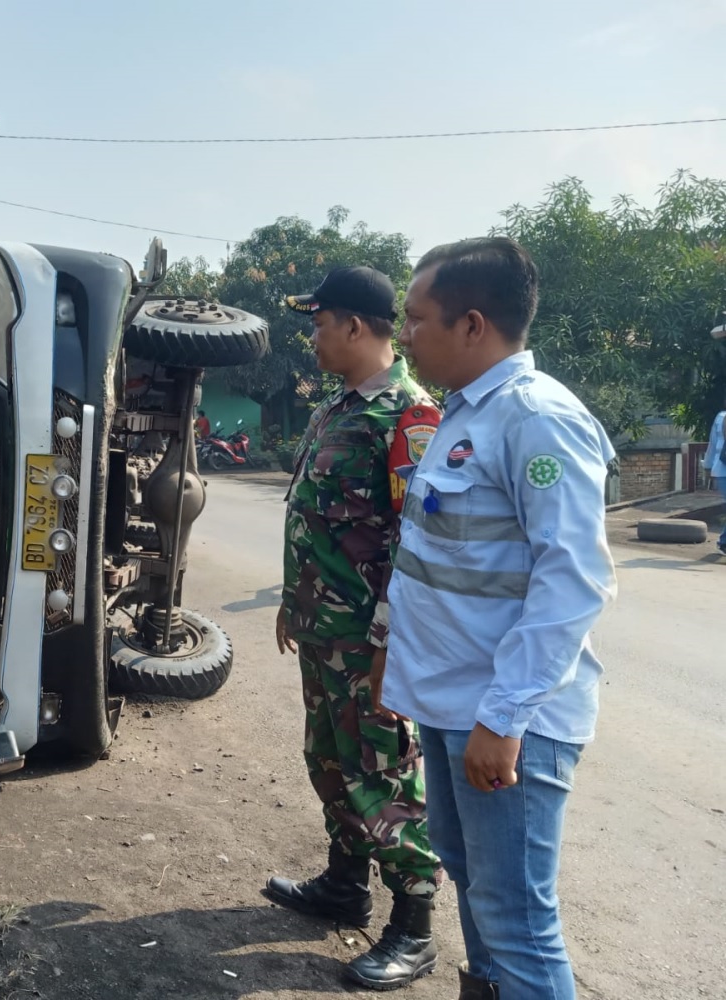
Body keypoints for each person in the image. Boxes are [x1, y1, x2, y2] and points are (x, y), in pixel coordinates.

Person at [379, 237, 617, 1000]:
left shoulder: (535, 419)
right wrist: (395, 648)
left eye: (415, 318)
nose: (404, 333)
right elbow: (430, 551)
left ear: (472, 324)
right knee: (472, 884)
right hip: (453, 699)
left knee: (516, 921)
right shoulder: (464, 411)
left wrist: (505, 715)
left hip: (503, 712)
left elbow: (570, 582)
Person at [265, 266, 444, 991]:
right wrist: (289, 601)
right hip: (319, 626)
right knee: (329, 761)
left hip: (367, 642)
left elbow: (416, 541)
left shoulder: (409, 416)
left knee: (382, 771)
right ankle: (344, 886)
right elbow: (313, 517)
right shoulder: (337, 408)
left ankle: (414, 925)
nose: (311, 336)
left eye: (318, 322)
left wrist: (387, 641)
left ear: (353, 326)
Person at [703, 401, 726, 554]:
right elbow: (713, 444)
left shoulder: (720, 417)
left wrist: (708, 466)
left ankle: (723, 542)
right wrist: (707, 466)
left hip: (720, 470)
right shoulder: (721, 418)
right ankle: (724, 542)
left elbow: (712, 445)